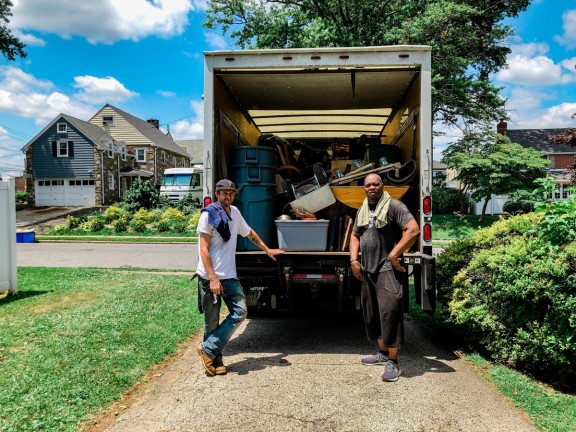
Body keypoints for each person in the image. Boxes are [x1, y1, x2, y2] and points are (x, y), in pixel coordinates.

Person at [195, 179, 284, 376]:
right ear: (217, 194)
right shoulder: (208, 215)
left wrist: (266, 249)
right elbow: (203, 248)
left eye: (231, 193)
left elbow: (249, 232)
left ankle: (207, 349)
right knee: (212, 322)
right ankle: (215, 361)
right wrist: (213, 278)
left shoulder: (234, 212)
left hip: (230, 276)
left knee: (240, 311)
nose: (228, 196)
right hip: (211, 278)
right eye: (224, 193)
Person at [349, 173, 419, 382]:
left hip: (387, 268)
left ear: (382, 186)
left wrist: (394, 253)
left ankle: (394, 361)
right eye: (368, 185)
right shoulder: (363, 209)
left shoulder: (394, 206)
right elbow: (354, 235)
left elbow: (413, 230)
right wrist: (354, 260)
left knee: (390, 312)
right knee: (372, 314)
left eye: (375, 184)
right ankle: (382, 353)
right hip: (368, 269)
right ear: (364, 188)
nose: (371, 187)